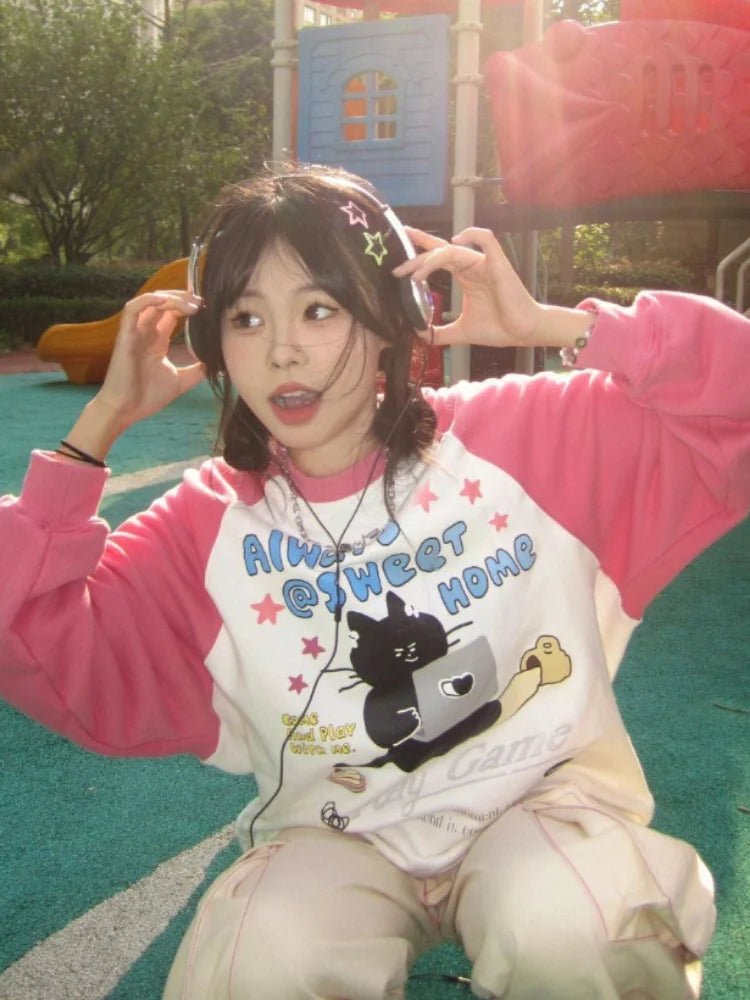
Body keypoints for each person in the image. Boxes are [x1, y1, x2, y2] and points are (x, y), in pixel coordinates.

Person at [1, 164, 748, 1000]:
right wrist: (97, 427)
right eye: (246, 318)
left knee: (570, 923)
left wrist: (560, 324)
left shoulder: (524, 439)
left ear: (392, 318)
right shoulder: (207, 526)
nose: (282, 350)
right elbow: (31, 633)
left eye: (320, 309)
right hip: (336, 835)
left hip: (540, 807)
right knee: (260, 954)